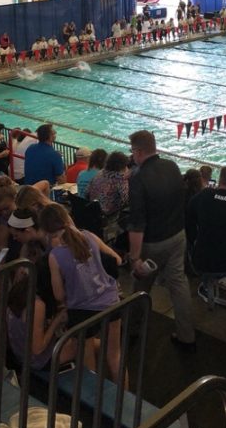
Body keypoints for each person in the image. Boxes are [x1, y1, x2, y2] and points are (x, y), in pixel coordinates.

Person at [127, 129, 196, 351]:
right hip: (178, 235)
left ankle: (132, 331)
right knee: (179, 283)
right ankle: (187, 336)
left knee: (140, 286)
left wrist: (135, 257)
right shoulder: (172, 166)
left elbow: (137, 224)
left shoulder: (138, 179)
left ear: (138, 152)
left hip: (153, 244)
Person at [39, 204, 122, 381]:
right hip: (110, 301)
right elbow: (117, 259)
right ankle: (126, 401)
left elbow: (59, 295)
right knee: (115, 356)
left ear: (46, 231)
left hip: (81, 311)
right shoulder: (88, 236)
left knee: (88, 364)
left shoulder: (55, 256)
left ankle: (95, 401)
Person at [187, 165, 226, 277]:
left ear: (220, 180)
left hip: (200, 262)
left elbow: (188, 218)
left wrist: (194, 240)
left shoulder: (204, 195)